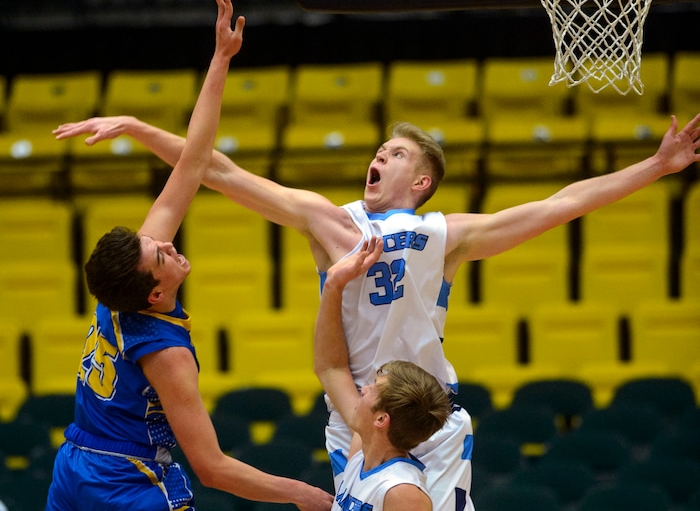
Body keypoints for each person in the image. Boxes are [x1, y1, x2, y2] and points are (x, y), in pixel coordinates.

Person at [53, 94, 700, 511]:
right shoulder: (329, 221)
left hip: (429, 414)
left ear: (420, 181)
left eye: (396, 154)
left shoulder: (444, 234)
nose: (379, 156)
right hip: (357, 414)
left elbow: (560, 205)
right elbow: (213, 170)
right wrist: (141, 129)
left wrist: (655, 167)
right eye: (379, 149)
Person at [46, 0, 333, 511]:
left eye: (152, 241)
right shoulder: (167, 353)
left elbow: (194, 163)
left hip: (73, 467)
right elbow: (211, 468)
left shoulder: (123, 284)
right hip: (128, 482)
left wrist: (220, 59)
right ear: (155, 294)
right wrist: (306, 495)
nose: (165, 242)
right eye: (159, 255)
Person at [315, 235, 452, 511]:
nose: (363, 389)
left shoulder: (402, 492)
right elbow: (330, 367)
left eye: (373, 388)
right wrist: (333, 285)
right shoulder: (361, 458)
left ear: (381, 419)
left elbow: (333, 369)